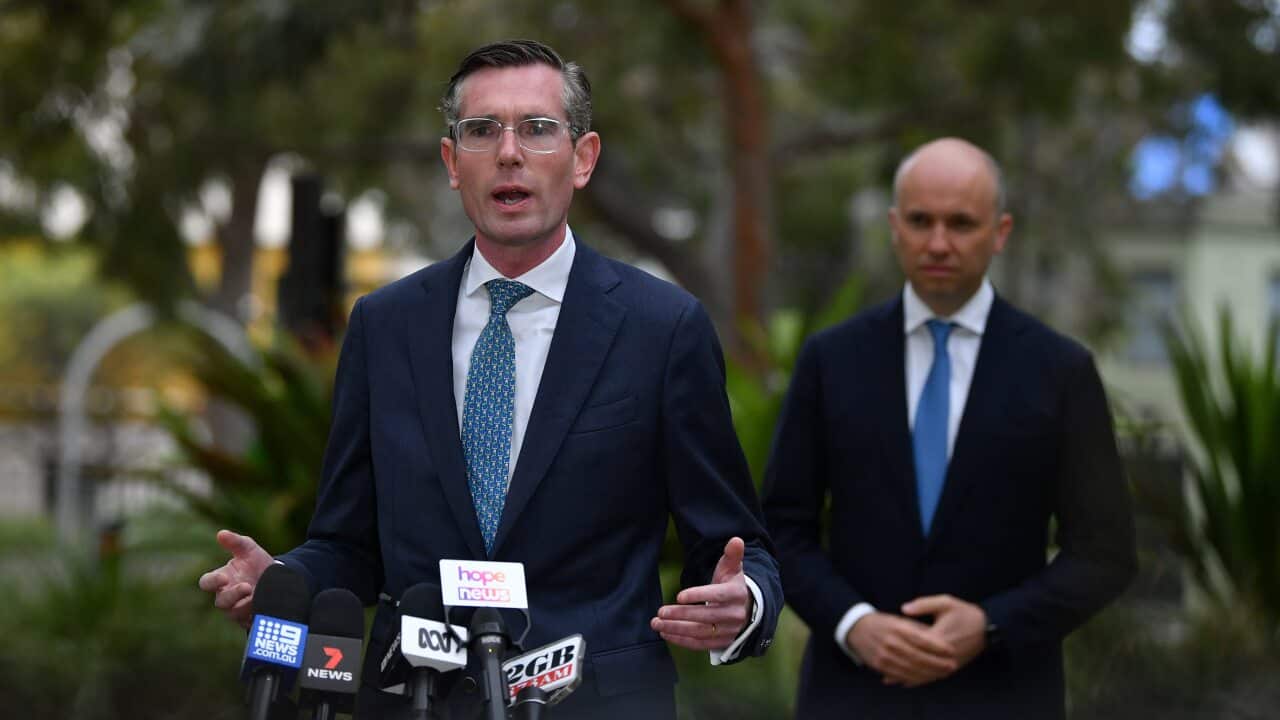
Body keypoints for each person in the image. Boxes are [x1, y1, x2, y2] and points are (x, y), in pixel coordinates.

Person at [199, 40, 781, 719]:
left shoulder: (663, 328)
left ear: (583, 158)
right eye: (482, 131)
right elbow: (350, 542)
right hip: (412, 698)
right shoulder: (385, 325)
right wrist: (286, 581)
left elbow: (737, 545)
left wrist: (746, 602)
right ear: (452, 163)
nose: (509, 152)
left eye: (536, 129)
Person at [762, 138, 1136, 719]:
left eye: (961, 223)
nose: (938, 242)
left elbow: (1106, 552)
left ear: (1001, 231)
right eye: (920, 221)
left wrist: (991, 624)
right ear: (894, 226)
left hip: (1003, 695)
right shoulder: (831, 360)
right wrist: (854, 623)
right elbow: (782, 529)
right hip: (852, 695)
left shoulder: (1060, 371)